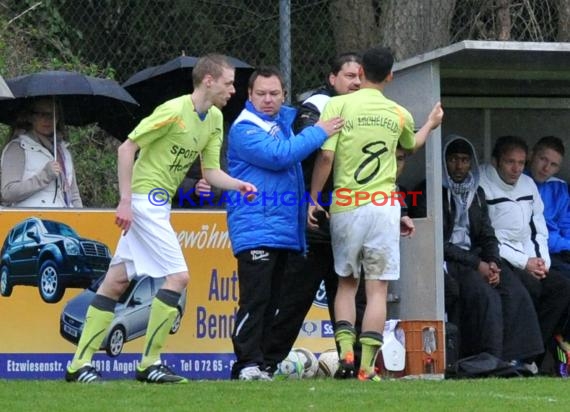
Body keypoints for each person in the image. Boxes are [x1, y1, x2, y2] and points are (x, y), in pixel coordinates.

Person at [64, 53, 256, 383]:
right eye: (229, 83)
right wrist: (125, 201)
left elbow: (211, 171)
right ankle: (149, 363)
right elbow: (126, 149)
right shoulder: (172, 111)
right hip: (143, 202)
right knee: (179, 278)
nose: (233, 90)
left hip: (158, 204)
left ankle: (78, 365)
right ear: (208, 81)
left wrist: (238, 184)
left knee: (116, 282)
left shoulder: (212, 120)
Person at [309, 46, 444, 381]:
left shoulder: (338, 104)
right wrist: (431, 123)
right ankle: (368, 366)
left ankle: (346, 355)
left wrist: (313, 199)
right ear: (390, 76)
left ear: (362, 72)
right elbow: (409, 147)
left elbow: (326, 158)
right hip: (384, 207)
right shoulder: (398, 113)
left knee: (345, 283)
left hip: (346, 205)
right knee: (378, 289)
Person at [226, 66, 343, 381]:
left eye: (274, 94)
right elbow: (280, 156)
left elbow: (311, 109)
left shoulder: (283, 119)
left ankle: (262, 364)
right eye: (261, 94)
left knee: (273, 303)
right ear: (249, 96)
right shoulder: (245, 127)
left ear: (283, 95)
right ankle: (245, 364)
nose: (267, 99)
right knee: (255, 300)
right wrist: (320, 130)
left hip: (283, 231)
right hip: (255, 228)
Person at [262, 52, 365, 374]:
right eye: (349, 76)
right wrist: (313, 200)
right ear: (332, 78)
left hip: (349, 218)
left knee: (348, 295)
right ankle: (264, 363)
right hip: (313, 220)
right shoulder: (317, 106)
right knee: (294, 299)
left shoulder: (364, 109)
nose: (356, 82)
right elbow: (308, 156)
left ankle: (353, 364)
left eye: (360, 76)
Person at [412, 135, 543, 367]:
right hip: (447, 259)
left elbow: (487, 233)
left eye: (464, 160)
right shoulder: (431, 191)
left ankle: (517, 358)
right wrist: (477, 265)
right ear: (444, 162)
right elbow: (437, 242)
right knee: (485, 295)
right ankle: (488, 358)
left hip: (477, 257)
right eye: (453, 160)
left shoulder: (476, 192)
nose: (459, 166)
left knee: (514, 291)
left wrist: (492, 261)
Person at [478, 135, 570, 372]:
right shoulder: (482, 184)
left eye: (520, 163)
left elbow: (537, 228)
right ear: (496, 161)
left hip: (531, 256)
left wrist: (542, 262)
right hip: (497, 256)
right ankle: (518, 356)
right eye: (510, 162)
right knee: (527, 289)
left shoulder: (528, 186)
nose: (516, 168)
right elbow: (489, 235)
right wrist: (524, 262)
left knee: (561, 288)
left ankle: (534, 356)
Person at [1, 97, 82, 208]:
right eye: (41, 114)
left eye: (52, 114)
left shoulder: (63, 152)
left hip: (63, 220)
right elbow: (7, 192)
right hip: (30, 221)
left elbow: (74, 195)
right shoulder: (18, 148)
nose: (47, 119)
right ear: (30, 117)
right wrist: (44, 177)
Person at [526, 136, 570, 274]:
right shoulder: (517, 182)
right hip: (536, 253)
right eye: (543, 159)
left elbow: (566, 224)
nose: (546, 168)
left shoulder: (558, 187)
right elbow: (531, 232)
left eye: (553, 165)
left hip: (562, 250)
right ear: (531, 155)